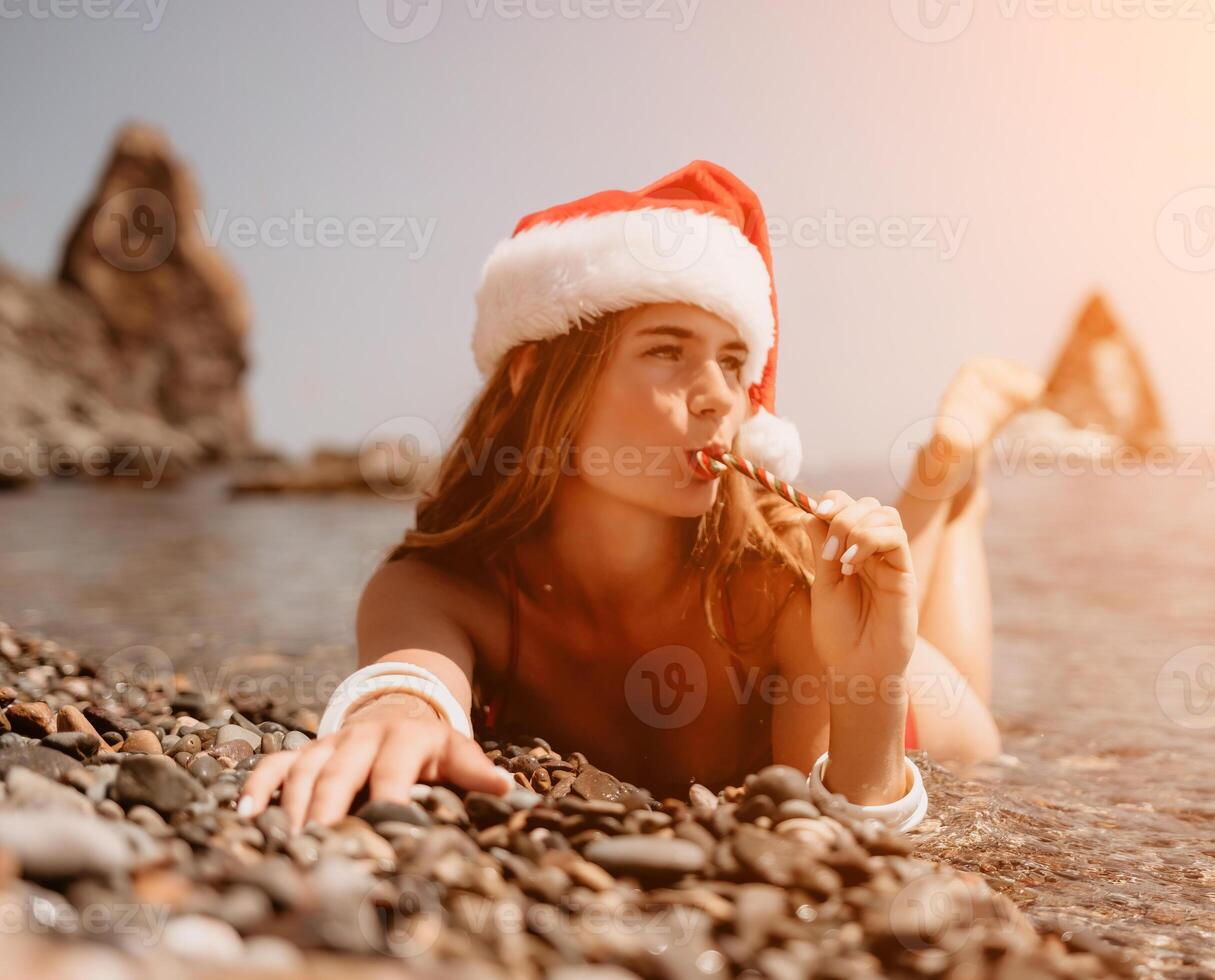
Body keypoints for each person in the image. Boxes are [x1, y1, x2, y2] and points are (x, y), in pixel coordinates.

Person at [238, 161, 1041, 833]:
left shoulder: (781, 583)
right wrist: (394, 721)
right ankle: (939, 486)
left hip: (899, 711)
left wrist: (871, 684)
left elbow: (846, 834)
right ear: (533, 373)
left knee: (979, 737)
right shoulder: (441, 589)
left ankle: (949, 494)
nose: (718, 397)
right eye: (667, 351)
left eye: (734, 362)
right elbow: (407, 681)